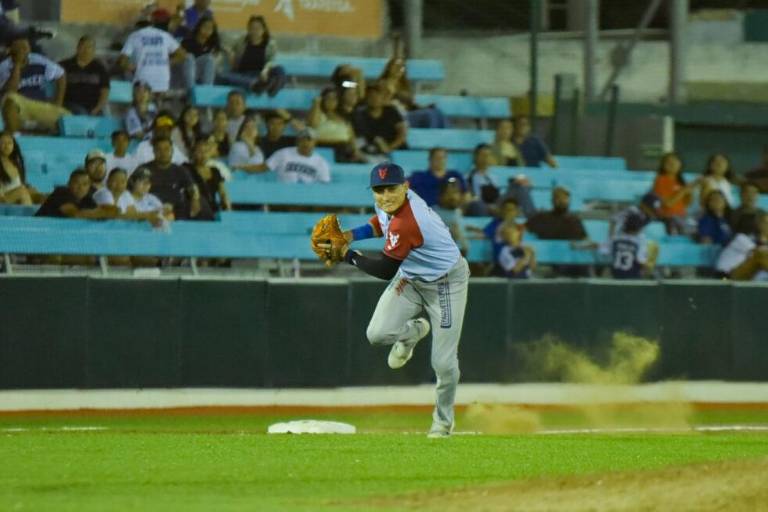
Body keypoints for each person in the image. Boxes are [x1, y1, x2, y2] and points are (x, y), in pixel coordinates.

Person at [335, 162, 470, 438]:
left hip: (446, 283)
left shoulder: (409, 220)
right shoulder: (391, 206)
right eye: (379, 190)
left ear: (406, 187)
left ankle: (443, 423)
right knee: (377, 334)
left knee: (443, 363)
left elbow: (385, 270)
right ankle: (414, 333)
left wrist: (348, 254)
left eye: (391, 189)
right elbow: (380, 223)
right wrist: (351, 234)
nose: (385, 196)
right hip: (410, 277)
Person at [0, 34, 69, 133]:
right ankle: (16, 138)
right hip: (19, 105)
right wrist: (17, 65)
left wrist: (58, 102)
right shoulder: (4, 67)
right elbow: (11, 91)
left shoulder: (38, 60)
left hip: (39, 105)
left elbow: (61, 75)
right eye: (20, 47)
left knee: (66, 118)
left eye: (26, 47)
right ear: (12, 50)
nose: (24, 50)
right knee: (11, 100)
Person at [134, 136, 201, 220]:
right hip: (150, 209)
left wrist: (195, 199)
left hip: (176, 209)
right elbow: (132, 190)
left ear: (172, 151)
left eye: (166, 149)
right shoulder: (144, 169)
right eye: (159, 149)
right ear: (153, 151)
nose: (163, 153)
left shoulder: (180, 170)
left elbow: (192, 187)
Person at [526, 186, 588, 277]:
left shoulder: (575, 220)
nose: (562, 201)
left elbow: (585, 240)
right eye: (558, 197)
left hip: (571, 259)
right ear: (552, 200)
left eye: (565, 198)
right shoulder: (541, 217)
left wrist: (581, 246)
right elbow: (524, 231)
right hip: (550, 258)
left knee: (586, 266)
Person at [219, 15, 286, 97]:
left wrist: (265, 70)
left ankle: (273, 88)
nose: (254, 31)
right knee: (224, 76)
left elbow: (271, 61)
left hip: (262, 75)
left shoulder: (270, 44)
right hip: (244, 75)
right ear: (248, 29)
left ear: (264, 30)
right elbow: (226, 46)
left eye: (258, 28)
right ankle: (257, 85)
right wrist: (230, 52)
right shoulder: (241, 41)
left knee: (280, 69)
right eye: (252, 28)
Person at [118, 16, 186, 94]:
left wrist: (132, 68)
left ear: (137, 27)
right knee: (158, 104)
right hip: (162, 82)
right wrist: (167, 63)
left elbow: (122, 61)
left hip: (142, 82)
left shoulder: (134, 35)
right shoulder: (164, 35)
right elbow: (183, 55)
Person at [379, 55, 448, 129]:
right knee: (428, 115)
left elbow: (412, 104)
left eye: (402, 67)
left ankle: (446, 138)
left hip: (409, 113)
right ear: (389, 68)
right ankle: (432, 138)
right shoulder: (383, 84)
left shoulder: (404, 85)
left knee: (437, 112)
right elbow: (381, 105)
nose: (399, 69)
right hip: (398, 117)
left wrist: (424, 107)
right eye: (396, 65)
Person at [307, 87, 364, 162]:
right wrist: (316, 103)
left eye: (334, 98)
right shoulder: (319, 114)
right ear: (323, 100)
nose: (331, 101)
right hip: (324, 147)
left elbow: (351, 136)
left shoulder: (344, 117)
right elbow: (312, 124)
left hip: (344, 149)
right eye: (328, 98)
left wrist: (355, 150)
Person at [353, 82, 407, 161]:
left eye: (377, 96)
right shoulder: (360, 114)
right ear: (366, 98)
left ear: (382, 98)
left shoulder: (392, 111)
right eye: (371, 97)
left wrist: (389, 147)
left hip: (395, 149)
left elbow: (402, 133)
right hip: (371, 151)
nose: (374, 99)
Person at [58, 35, 110, 116]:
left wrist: (97, 108)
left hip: (93, 106)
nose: (86, 50)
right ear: (77, 48)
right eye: (83, 46)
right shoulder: (64, 65)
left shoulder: (100, 68)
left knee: (102, 119)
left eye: (89, 47)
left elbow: (104, 92)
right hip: (70, 104)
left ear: (93, 50)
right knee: (81, 113)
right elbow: (59, 88)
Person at [35, 169, 118, 219]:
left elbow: (112, 211)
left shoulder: (86, 199)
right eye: (76, 183)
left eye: (85, 184)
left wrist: (105, 212)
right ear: (69, 184)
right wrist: (101, 213)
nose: (80, 187)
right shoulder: (61, 192)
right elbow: (74, 214)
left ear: (89, 187)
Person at [652, 152, 699, 234]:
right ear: (663, 165)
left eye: (675, 161)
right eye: (668, 162)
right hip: (667, 216)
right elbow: (668, 204)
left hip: (681, 216)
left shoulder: (680, 181)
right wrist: (684, 190)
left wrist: (690, 191)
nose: (672, 164)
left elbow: (685, 204)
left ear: (680, 165)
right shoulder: (661, 180)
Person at [716, 211, 768, 281]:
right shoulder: (741, 238)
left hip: (748, 278)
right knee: (759, 255)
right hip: (725, 276)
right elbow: (758, 253)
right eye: (766, 222)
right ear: (758, 224)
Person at [266, 128, 331, 184]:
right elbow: (263, 168)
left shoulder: (321, 162)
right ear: (297, 142)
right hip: (282, 193)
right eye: (302, 139)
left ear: (315, 143)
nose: (305, 143)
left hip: (307, 196)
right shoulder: (283, 153)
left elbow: (324, 185)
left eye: (309, 140)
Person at [608, 212, 658, 279]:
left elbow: (605, 250)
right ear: (639, 228)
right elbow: (641, 261)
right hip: (633, 276)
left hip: (615, 275)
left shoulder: (616, 239)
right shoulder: (639, 242)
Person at [187, 139, 230, 212]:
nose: (203, 154)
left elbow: (222, 192)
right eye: (200, 151)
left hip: (211, 208)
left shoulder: (215, 171)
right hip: (192, 208)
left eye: (206, 151)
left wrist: (227, 207)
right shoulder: (187, 169)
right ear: (193, 153)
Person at [180, 16, 219, 90]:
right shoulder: (188, 41)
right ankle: (191, 90)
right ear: (199, 27)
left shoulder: (212, 44)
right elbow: (184, 59)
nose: (207, 30)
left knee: (209, 59)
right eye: (205, 26)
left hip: (199, 73)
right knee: (189, 57)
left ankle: (207, 90)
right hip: (185, 71)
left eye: (210, 28)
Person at [432, 178, 469, 256]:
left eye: (456, 192)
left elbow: (463, 248)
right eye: (449, 193)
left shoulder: (458, 212)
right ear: (440, 195)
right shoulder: (431, 214)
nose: (453, 197)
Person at [483, 197, 525, 263]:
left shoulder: (518, 227)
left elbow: (518, 245)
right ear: (502, 210)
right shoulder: (495, 224)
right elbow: (484, 234)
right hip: (500, 257)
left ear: (517, 212)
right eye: (506, 209)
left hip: (515, 258)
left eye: (511, 210)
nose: (508, 212)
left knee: (529, 251)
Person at [467, 143, 500, 216]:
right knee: (478, 205)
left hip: (494, 206)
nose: (485, 158)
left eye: (488, 155)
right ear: (476, 156)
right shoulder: (469, 177)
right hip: (480, 206)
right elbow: (473, 198)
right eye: (483, 155)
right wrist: (489, 207)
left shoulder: (494, 177)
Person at [0, 130, 31, 204]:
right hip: (2, 201)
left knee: (41, 196)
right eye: (2, 143)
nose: (7, 146)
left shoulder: (16, 164)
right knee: (22, 192)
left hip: (15, 200)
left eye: (10, 143)